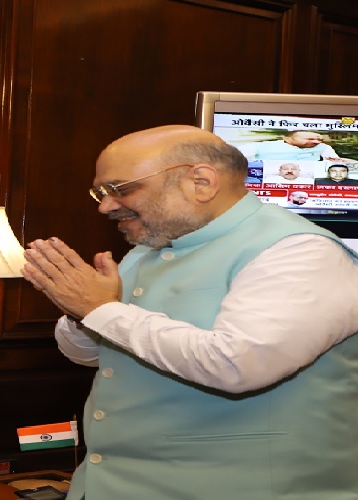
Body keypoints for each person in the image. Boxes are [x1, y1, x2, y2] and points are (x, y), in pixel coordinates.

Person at [22, 125, 358, 499]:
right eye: (101, 192)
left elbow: (237, 366)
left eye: (121, 188)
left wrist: (99, 308)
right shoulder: (147, 249)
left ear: (201, 181)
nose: (106, 206)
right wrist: (78, 311)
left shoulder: (299, 251)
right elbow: (91, 356)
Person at [236, 130, 350, 162]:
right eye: (310, 139)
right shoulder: (259, 146)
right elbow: (233, 159)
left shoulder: (324, 148)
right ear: (288, 139)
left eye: (318, 139)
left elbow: (335, 162)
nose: (316, 142)